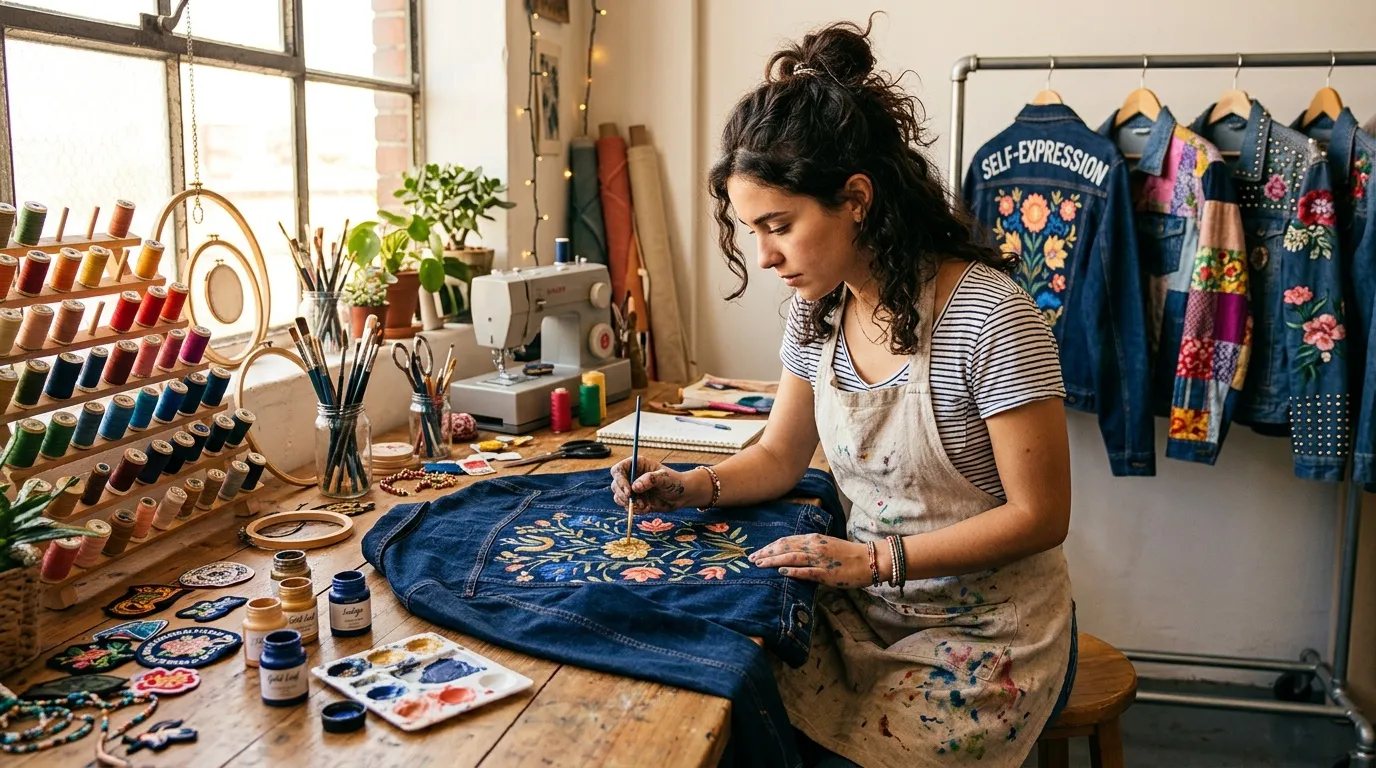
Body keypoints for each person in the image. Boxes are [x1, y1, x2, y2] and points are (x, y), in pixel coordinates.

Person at [610, 18, 1076, 768]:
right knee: (720, 702)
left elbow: (1042, 515)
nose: (763, 255)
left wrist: (874, 561)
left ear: (856, 198)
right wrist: (692, 485)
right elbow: (780, 456)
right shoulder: (818, 309)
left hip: (989, 633)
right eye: (750, 230)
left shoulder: (989, 317)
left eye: (779, 226)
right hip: (866, 611)